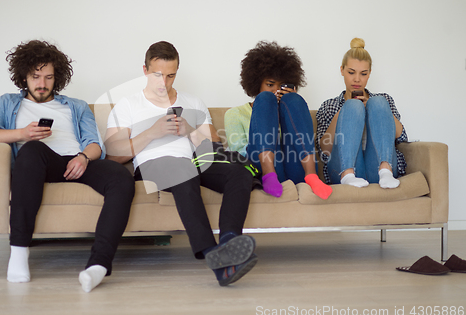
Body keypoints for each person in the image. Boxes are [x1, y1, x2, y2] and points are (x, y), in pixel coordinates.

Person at [0, 40, 135, 292]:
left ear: (57, 77)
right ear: (23, 76)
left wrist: (83, 157)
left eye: (48, 77)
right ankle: (18, 252)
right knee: (32, 149)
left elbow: (95, 144)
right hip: (38, 161)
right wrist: (22, 134)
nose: (42, 83)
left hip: (75, 161)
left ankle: (99, 265)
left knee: (120, 176)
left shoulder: (77, 105)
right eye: (35, 76)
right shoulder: (7, 102)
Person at [104, 41, 257, 287]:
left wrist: (189, 130)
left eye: (171, 75)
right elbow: (113, 154)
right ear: (145, 70)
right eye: (157, 75)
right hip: (153, 165)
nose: (164, 82)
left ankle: (229, 241)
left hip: (194, 160)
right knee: (182, 171)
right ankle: (214, 257)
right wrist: (152, 133)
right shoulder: (128, 105)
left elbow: (214, 147)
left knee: (238, 173)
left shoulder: (193, 102)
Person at [224, 41, 332, 199]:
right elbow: (240, 154)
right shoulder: (235, 114)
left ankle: (312, 176)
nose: (276, 90)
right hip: (259, 165)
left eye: (281, 85)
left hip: (294, 166)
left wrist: (289, 105)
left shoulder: (289, 105)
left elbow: (303, 139)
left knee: (294, 101)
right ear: (256, 83)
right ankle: (269, 175)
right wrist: (267, 113)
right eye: (270, 84)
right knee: (266, 100)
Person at [315, 38, 407, 188]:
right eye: (351, 72)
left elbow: (401, 137)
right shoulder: (329, 106)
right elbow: (324, 150)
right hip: (342, 168)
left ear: (370, 74)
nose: (357, 79)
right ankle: (348, 174)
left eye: (363, 74)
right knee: (353, 106)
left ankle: (385, 170)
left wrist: (374, 107)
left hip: (377, 168)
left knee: (378, 101)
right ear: (342, 70)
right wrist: (345, 111)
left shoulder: (384, 101)